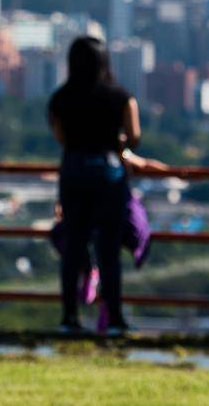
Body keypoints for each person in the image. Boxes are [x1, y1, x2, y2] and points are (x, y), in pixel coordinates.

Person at [48, 35, 147, 336]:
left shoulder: (60, 98)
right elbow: (134, 137)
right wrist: (115, 141)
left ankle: (69, 317)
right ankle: (115, 318)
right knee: (109, 249)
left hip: (74, 171)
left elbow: (62, 138)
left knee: (74, 246)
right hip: (109, 174)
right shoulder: (121, 96)